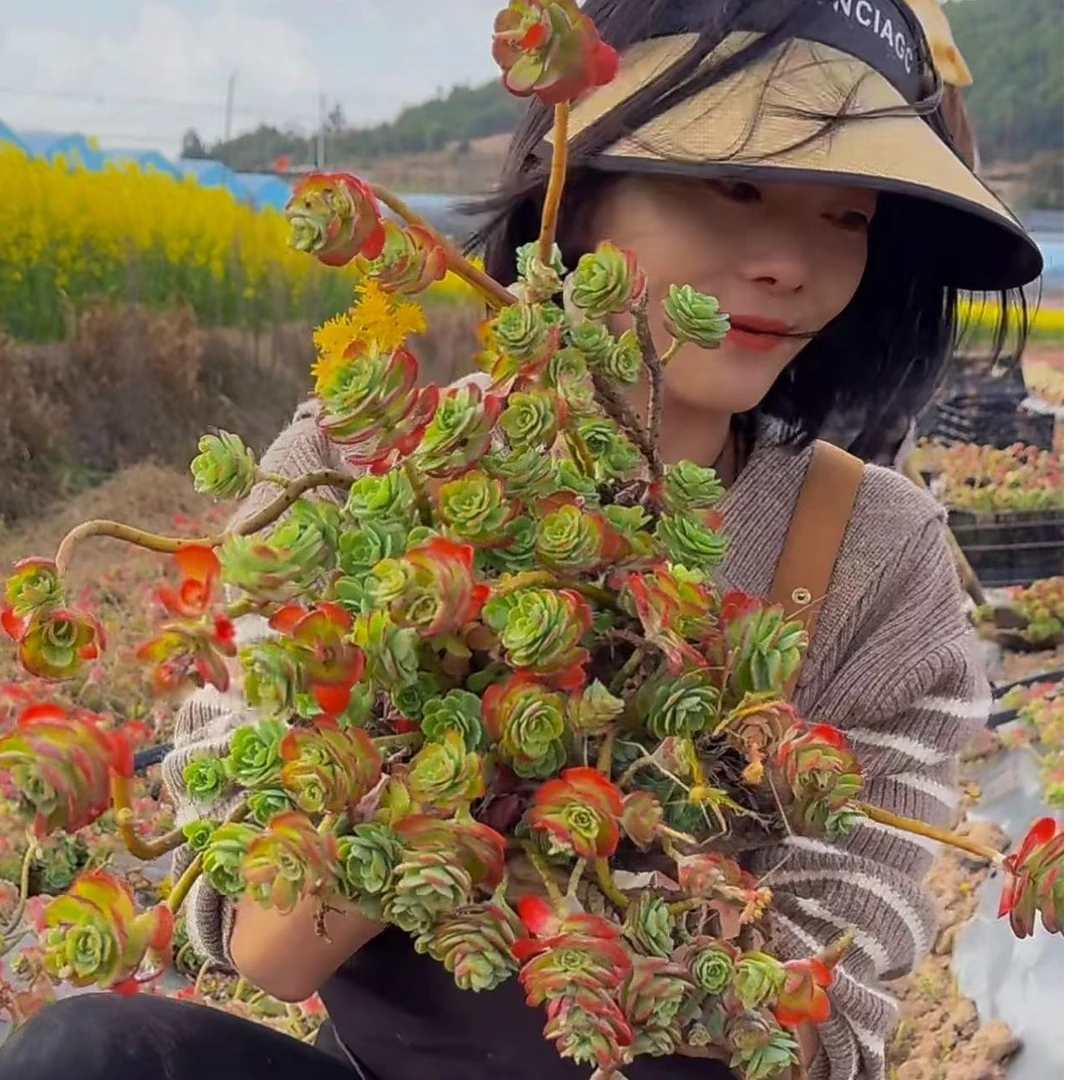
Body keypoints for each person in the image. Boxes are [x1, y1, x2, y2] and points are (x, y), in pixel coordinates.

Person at [0, 2, 1042, 1080]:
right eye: (737, 184)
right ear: (577, 185)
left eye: (849, 217)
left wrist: (615, 889)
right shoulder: (362, 464)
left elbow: (834, 998)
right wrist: (453, 701)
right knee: (92, 1054)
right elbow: (256, 928)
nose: (791, 264)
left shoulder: (874, 549)